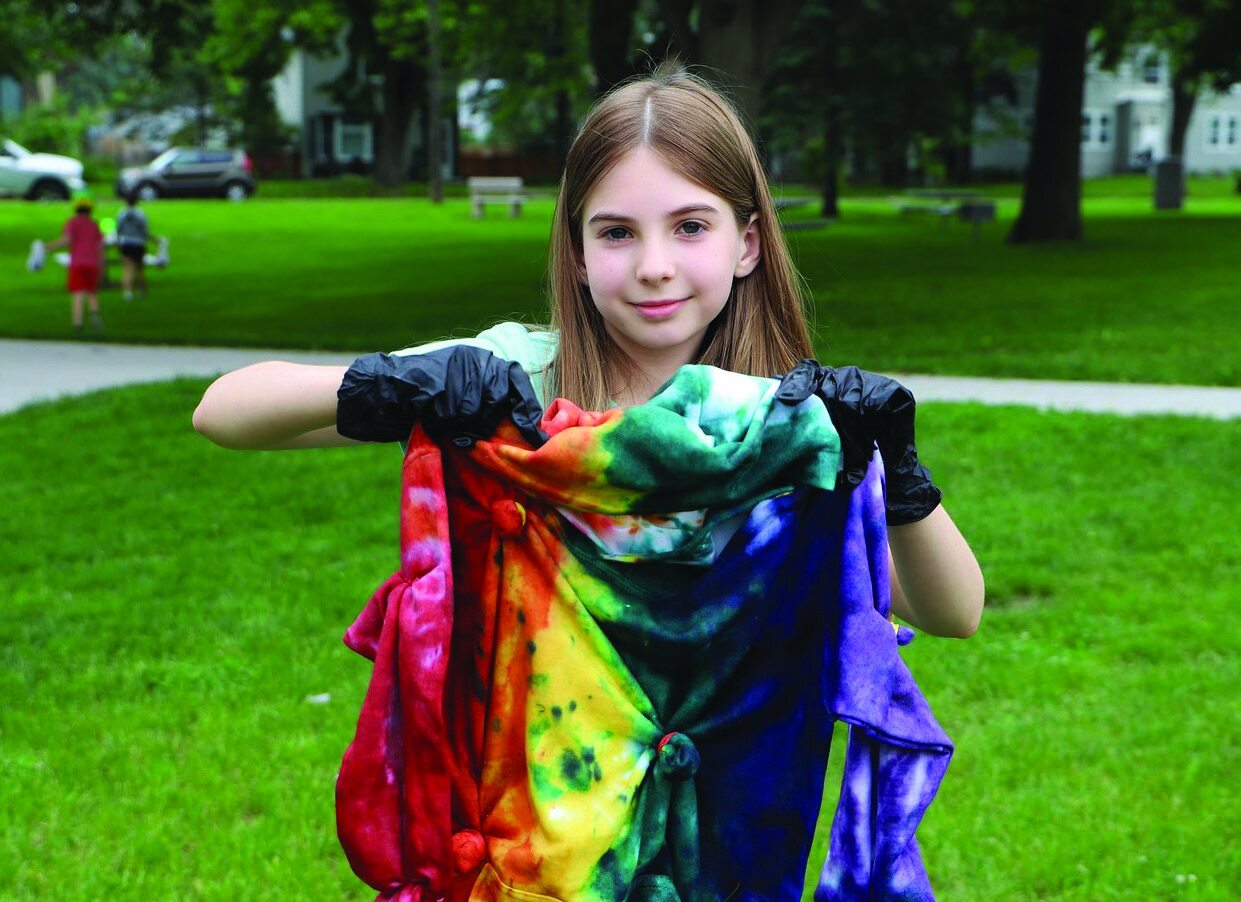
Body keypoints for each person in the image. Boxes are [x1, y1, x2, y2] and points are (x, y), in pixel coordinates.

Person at [194, 64, 984, 898]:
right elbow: (226, 412)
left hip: (730, 848)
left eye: (689, 227)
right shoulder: (519, 382)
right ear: (574, 250)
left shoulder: (792, 426)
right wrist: (389, 383)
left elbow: (953, 610)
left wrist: (895, 469)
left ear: (746, 242)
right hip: (531, 844)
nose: (652, 266)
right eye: (615, 233)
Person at [43, 196, 105, 335]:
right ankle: (95, 317)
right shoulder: (94, 224)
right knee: (92, 293)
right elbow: (100, 246)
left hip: (77, 263)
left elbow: (67, 240)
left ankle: (78, 323)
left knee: (77, 293)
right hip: (92, 263)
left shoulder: (72, 223)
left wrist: (49, 246)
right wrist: (101, 262)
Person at [115, 191, 151, 301]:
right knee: (139, 269)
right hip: (138, 243)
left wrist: (118, 242)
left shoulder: (121, 213)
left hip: (126, 242)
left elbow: (118, 229)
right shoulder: (141, 214)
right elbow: (144, 230)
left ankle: (127, 292)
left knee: (127, 269)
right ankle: (141, 290)